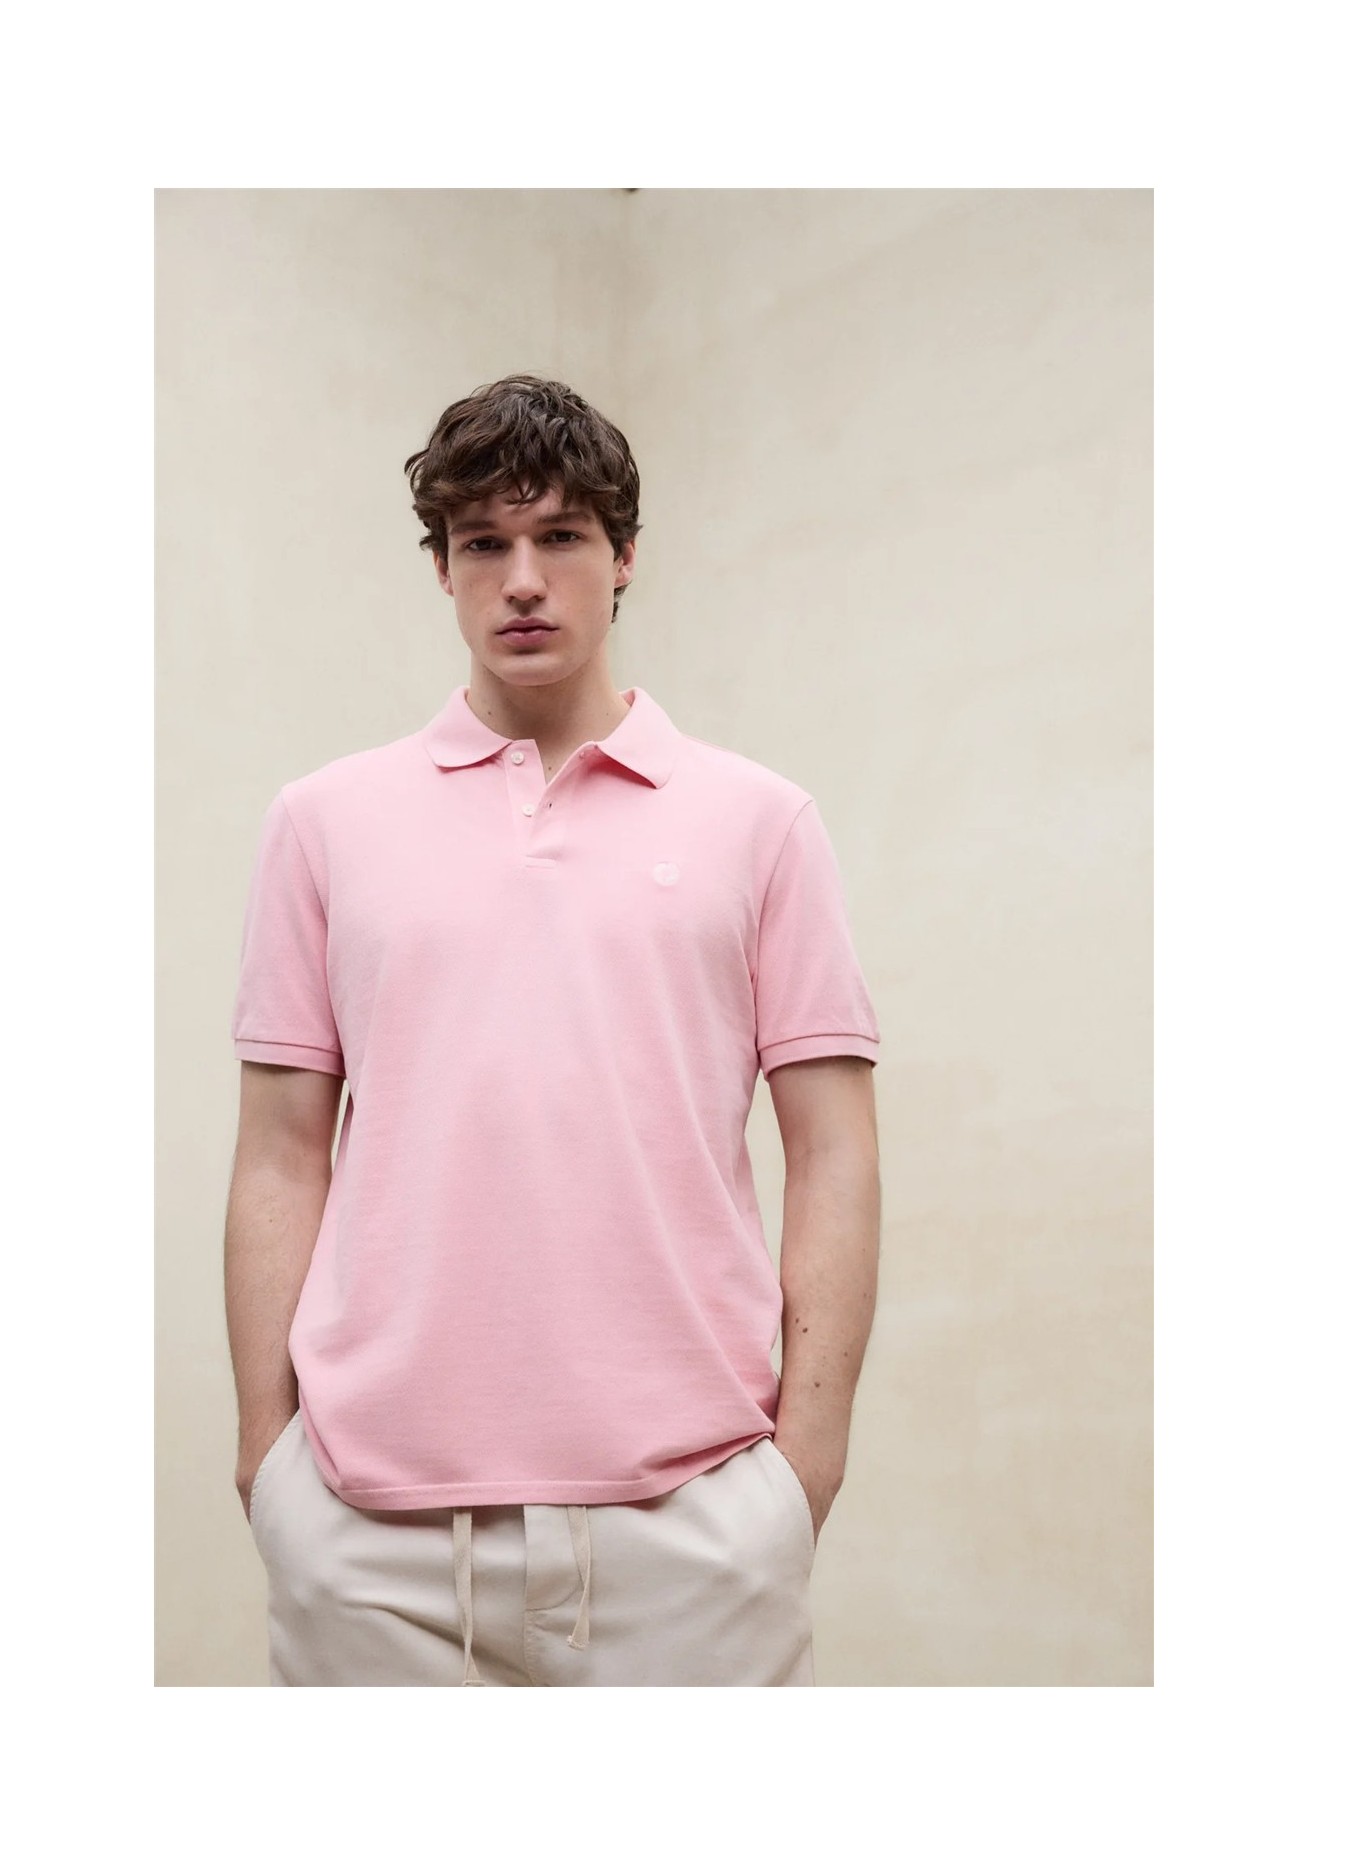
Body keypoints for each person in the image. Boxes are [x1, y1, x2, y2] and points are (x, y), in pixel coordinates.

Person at [224, 374, 882, 1686]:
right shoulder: (323, 822)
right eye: (484, 543)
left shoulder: (761, 823)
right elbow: (282, 1153)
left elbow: (835, 1152)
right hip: (366, 1534)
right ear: (442, 567)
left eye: (561, 537)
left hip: (695, 1526)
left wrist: (802, 1470)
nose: (522, 580)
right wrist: (267, 1459)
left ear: (624, 555)